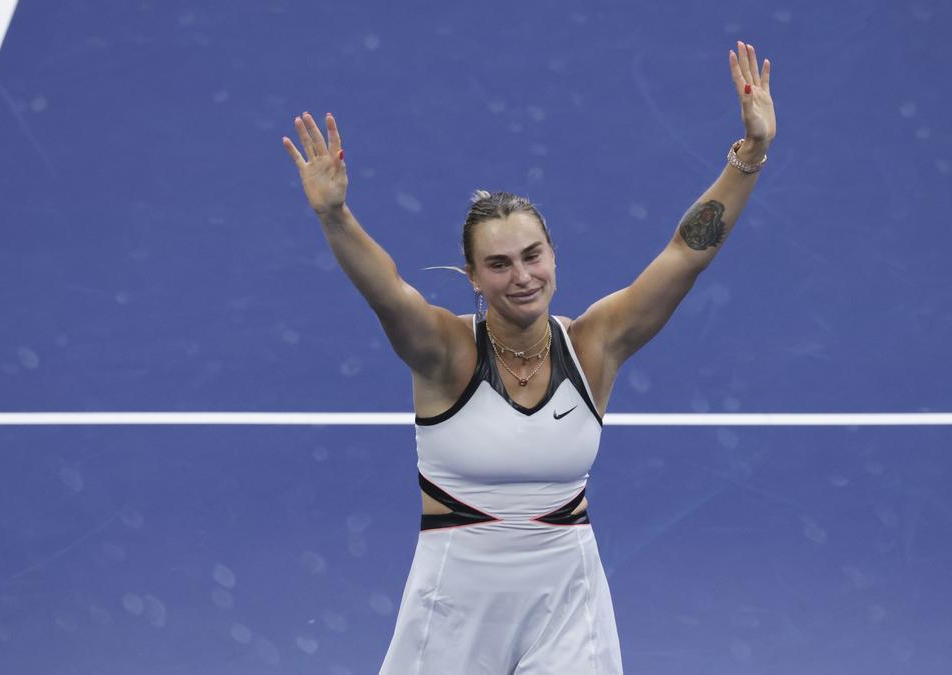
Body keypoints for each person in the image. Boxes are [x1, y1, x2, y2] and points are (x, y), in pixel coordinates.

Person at [282, 40, 776, 675]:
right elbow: (388, 292)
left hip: (567, 601)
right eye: (499, 264)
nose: (522, 276)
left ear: (553, 255)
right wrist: (336, 216)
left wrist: (751, 153)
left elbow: (686, 254)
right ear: (473, 278)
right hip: (452, 607)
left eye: (533, 255)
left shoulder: (595, 345)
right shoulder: (444, 353)